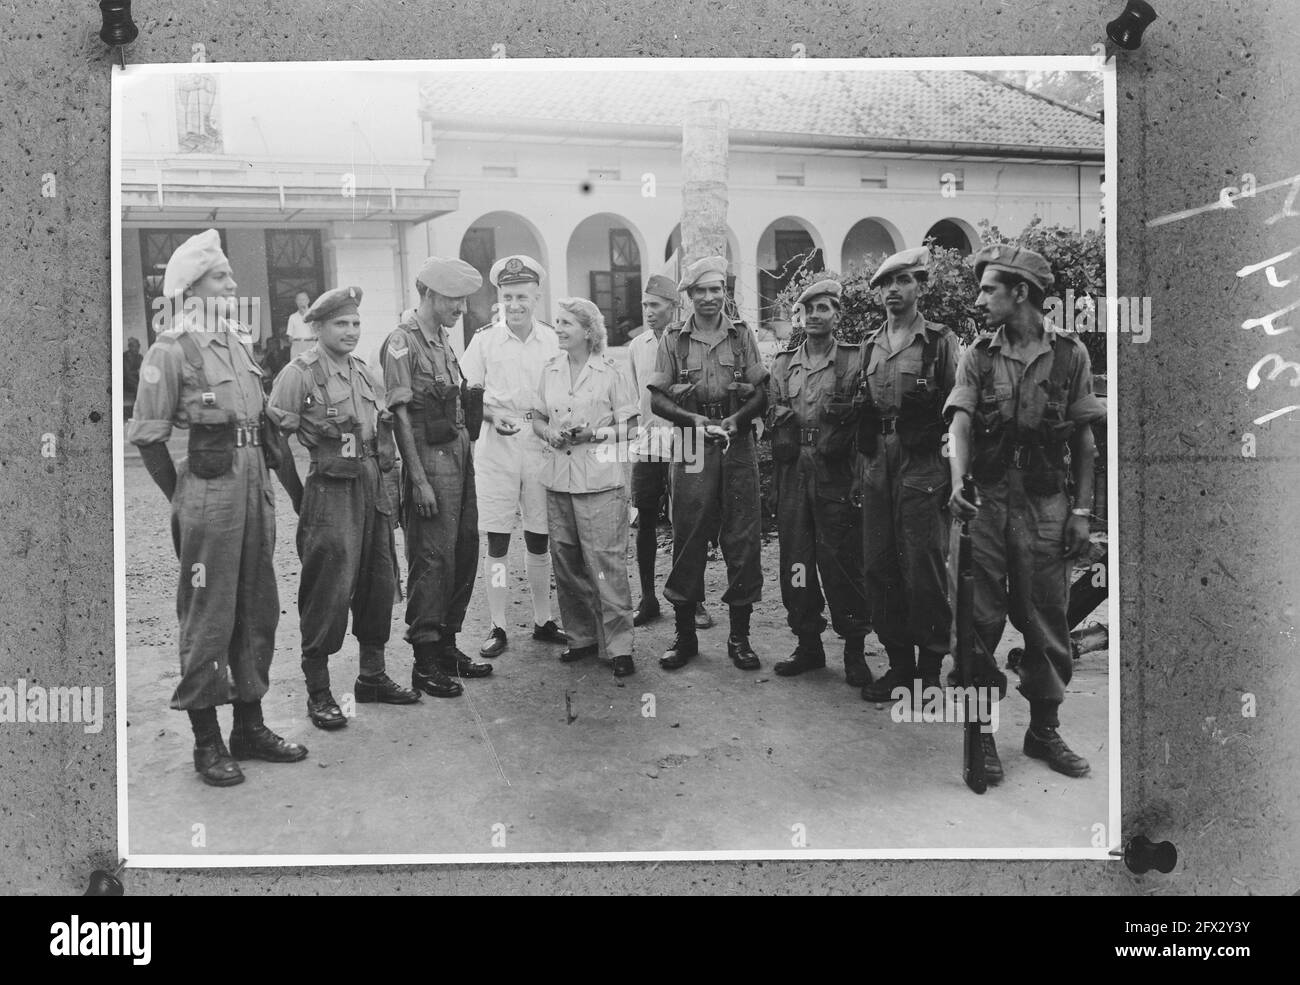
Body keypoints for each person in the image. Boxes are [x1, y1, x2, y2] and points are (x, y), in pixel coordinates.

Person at [127, 229, 306, 787]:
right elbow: (148, 437)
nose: (232, 285)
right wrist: (182, 498)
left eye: (229, 275)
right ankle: (207, 742)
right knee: (208, 613)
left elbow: (262, 428)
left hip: (255, 491)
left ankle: (249, 727)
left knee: (257, 606)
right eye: (221, 277)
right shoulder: (169, 351)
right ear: (191, 286)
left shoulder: (236, 342)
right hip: (209, 494)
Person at [945, 244, 1104, 783]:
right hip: (986, 501)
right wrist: (957, 484)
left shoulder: (1069, 356)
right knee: (978, 617)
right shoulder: (978, 354)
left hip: (1044, 502)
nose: (980, 297)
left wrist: (1082, 510)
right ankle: (980, 731)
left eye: (990, 289)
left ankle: (1043, 729)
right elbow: (960, 424)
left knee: (1045, 617)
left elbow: (1085, 441)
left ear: (1021, 293)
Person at [267, 286, 420, 730]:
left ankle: (371, 676)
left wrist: (387, 460)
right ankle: (319, 691)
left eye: (355, 323)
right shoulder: (299, 374)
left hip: (371, 485)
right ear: (317, 328)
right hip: (330, 489)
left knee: (379, 580)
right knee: (328, 588)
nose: (351, 331)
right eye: (340, 324)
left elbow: (382, 425)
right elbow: (276, 437)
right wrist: (299, 493)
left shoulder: (363, 371)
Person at [647, 255, 768, 672]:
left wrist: (737, 420)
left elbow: (760, 392)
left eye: (716, 289)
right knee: (689, 536)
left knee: (742, 537)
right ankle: (685, 637)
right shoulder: (673, 341)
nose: (709, 298)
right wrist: (695, 420)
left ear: (724, 293)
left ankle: (740, 637)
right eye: (700, 290)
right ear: (689, 296)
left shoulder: (741, 337)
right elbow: (658, 398)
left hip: (736, 444)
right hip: (692, 444)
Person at [382, 257, 495, 697]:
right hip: (429, 461)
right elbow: (400, 415)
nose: (462, 308)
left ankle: (448, 646)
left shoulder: (443, 340)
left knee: (464, 550)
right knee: (432, 559)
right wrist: (418, 479)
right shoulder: (402, 342)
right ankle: (425, 661)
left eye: (465, 299)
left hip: (459, 455)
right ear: (428, 294)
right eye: (453, 298)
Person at [856, 248, 961, 703]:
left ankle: (930, 666)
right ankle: (898, 664)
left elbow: (960, 414)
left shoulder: (940, 342)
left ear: (921, 286)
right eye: (886, 283)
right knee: (880, 566)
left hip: (923, 465)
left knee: (924, 568)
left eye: (903, 281)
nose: (893, 291)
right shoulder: (870, 345)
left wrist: (955, 477)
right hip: (879, 464)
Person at [461, 255, 569, 658]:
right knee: (499, 535)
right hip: (497, 442)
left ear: (537, 296)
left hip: (540, 442)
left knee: (540, 533)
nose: (516, 304)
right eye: (508, 296)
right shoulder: (485, 339)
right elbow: (468, 397)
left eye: (523, 296)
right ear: (499, 298)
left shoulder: (552, 340)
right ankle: (499, 624)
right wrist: (492, 415)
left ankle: (544, 619)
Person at [766, 279, 872, 685]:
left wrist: (859, 479)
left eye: (823, 308)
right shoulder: (782, 364)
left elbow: (864, 427)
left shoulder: (853, 361)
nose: (814, 316)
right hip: (794, 474)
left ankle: (854, 651)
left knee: (842, 562)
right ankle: (808, 644)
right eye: (808, 310)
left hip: (836, 473)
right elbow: (776, 419)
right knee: (796, 563)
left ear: (837, 315)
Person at [532, 298, 639, 677]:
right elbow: (538, 417)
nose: (558, 329)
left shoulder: (611, 372)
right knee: (566, 562)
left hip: (601, 481)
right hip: (559, 478)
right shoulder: (550, 370)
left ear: (589, 331)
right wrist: (550, 433)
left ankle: (618, 646)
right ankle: (581, 637)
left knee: (605, 564)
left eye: (566, 324)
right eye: (558, 322)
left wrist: (595, 433)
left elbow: (631, 426)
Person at [286, 291, 314, 360]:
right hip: (297, 345)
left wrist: (307, 316)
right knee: (297, 369)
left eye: (303, 299)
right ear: (296, 302)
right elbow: (290, 338)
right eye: (299, 300)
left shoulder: (314, 315)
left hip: (312, 345)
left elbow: (317, 333)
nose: (301, 302)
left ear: (308, 301)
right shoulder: (292, 317)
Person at [123, 337, 143, 420]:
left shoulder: (140, 357)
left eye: (138, 346)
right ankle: (137, 412)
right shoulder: (125, 356)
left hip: (136, 379)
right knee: (137, 387)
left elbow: (143, 369)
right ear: (130, 347)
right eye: (134, 346)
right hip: (126, 381)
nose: (137, 348)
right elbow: (127, 373)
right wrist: (137, 372)